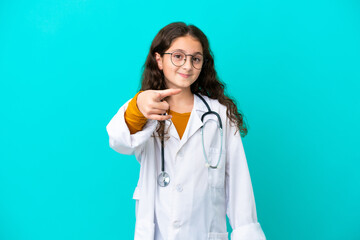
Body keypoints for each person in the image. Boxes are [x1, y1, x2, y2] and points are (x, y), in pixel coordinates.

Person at [106, 22, 266, 240]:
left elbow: (239, 184)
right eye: (178, 56)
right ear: (159, 59)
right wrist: (139, 103)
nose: (187, 66)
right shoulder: (144, 109)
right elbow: (118, 140)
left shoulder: (218, 115)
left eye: (195, 58)